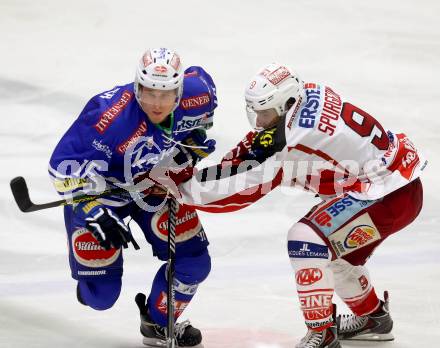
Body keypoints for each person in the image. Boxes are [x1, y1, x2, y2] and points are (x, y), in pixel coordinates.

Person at [176, 63, 427, 348]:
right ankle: (372, 318)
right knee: (333, 253)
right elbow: (257, 145)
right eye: (255, 112)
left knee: (306, 240)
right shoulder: (306, 94)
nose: (259, 121)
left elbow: (241, 189)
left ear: (286, 105)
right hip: (399, 187)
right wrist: (224, 164)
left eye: (265, 113)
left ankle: (322, 333)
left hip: (386, 195)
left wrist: (182, 189)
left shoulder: (292, 140)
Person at [48, 47, 217, 347]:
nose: (157, 103)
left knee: (195, 262)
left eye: (165, 94)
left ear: (179, 91)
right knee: (101, 298)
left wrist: (187, 152)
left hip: (151, 189)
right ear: (137, 85)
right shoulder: (108, 117)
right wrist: (92, 209)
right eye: (149, 92)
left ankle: (157, 322)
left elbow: (198, 128)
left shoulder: (198, 95)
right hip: (102, 198)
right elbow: (60, 170)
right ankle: (89, 283)